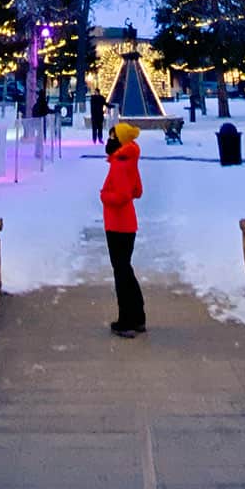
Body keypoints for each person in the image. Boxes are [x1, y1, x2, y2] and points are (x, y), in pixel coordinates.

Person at [100, 121, 146, 338]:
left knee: (121, 272)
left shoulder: (119, 163)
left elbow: (123, 195)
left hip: (117, 224)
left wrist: (104, 195)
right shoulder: (130, 161)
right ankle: (137, 317)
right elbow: (137, 190)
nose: (109, 140)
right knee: (126, 270)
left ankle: (126, 320)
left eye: (112, 137)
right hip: (128, 224)